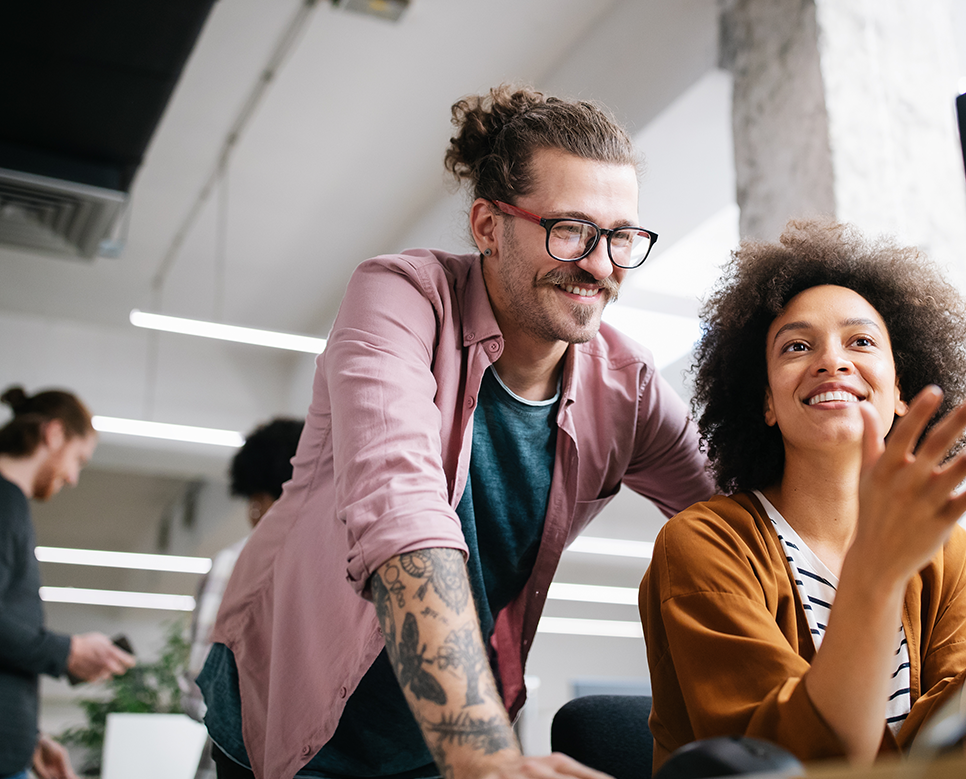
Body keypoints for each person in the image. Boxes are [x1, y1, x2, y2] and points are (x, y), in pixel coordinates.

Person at [200, 86, 713, 779]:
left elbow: (735, 513)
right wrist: (482, 754)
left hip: (431, 730)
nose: (599, 263)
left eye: (621, 238)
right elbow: (399, 504)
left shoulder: (628, 383)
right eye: (569, 230)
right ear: (487, 225)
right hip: (291, 699)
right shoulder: (402, 297)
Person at [639, 220, 966, 769]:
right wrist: (875, 571)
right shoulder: (703, 543)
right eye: (797, 346)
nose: (832, 361)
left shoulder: (943, 550)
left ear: (900, 391)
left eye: (861, 342)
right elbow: (790, 762)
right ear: (764, 402)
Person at [0, 387, 136, 779]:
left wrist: (29, 737)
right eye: (77, 459)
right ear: (53, 434)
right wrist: (68, 652)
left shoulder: (1, 500)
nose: (73, 477)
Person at [183, 420, 306, 720]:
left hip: (236, 763)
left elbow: (199, 691)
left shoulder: (235, 563)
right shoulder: (348, 565)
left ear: (258, 499)